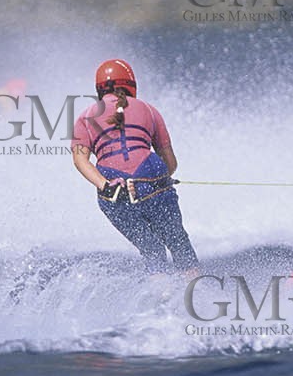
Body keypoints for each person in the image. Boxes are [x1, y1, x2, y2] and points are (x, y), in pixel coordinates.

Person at [71, 59, 199, 273]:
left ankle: (161, 290)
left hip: (114, 190)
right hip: (152, 176)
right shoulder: (149, 110)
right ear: (130, 85)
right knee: (179, 244)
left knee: (152, 251)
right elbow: (170, 162)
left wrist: (106, 186)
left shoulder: (84, 117)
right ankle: (196, 288)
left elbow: (79, 160)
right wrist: (160, 181)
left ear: (99, 90)